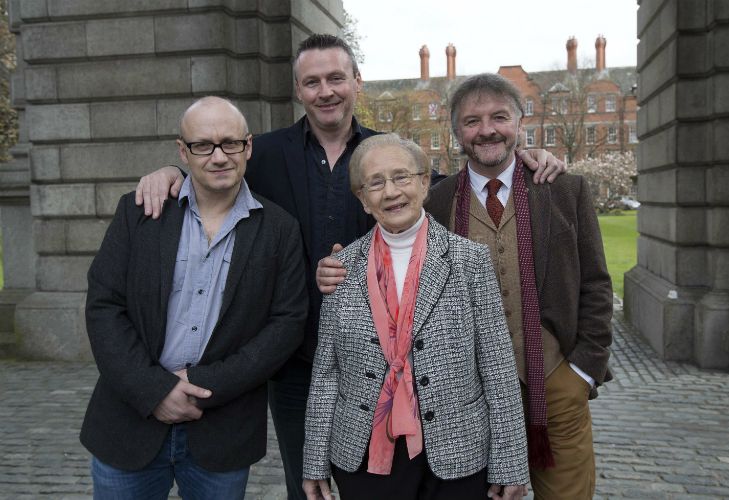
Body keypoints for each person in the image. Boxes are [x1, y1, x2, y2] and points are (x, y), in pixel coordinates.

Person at [133, 34, 566, 500]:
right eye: (312, 82)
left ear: (357, 82)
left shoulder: (387, 152)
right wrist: (171, 173)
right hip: (295, 358)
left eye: (336, 78)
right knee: (308, 485)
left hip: (401, 364)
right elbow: (214, 168)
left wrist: (518, 158)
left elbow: (456, 185)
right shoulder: (264, 155)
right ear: (299, 90)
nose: (326, 91)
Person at [317, 73, 613, 499]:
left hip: (554, 380)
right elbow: (383, 248)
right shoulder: (433, 200)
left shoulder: (563, 188)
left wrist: (583, 370)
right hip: (465, 400)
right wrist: (332, 268)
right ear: (455, 131)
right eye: (472, 121)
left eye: (499, 117)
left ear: (520, 121)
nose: (487, 129)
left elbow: (598, 285)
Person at [81, 96, 307, 499]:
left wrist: (204, 384)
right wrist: (154, 390)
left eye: (229, 143)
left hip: (222, 431)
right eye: (203, 145)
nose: (218, 156)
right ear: (183, 151)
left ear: (248, 147)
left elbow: (286, 325)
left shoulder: (279, 229)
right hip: (129, 423)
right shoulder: (139, 213)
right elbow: (104, 307)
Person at [303, 134, 528, 500]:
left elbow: (497, 366)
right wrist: (313, 460)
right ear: (362, 198)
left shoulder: (470, 261)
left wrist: (511, 462)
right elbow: (327, 373)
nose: (390, 191)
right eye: (375, 182)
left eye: (401, 177)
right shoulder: (340, 269)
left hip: (457, 452)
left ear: (424, 182)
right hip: (364, 455)